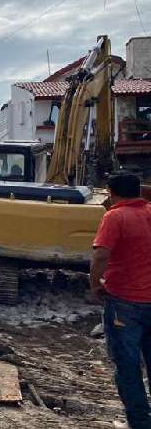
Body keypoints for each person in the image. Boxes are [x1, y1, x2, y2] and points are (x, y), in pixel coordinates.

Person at [90, 171, 151, 429]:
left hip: (125, 303)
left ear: (112, 193)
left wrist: (95, 284)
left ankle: (139, 423)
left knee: (128, 368)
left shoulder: (115, 217)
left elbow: (101, 256)